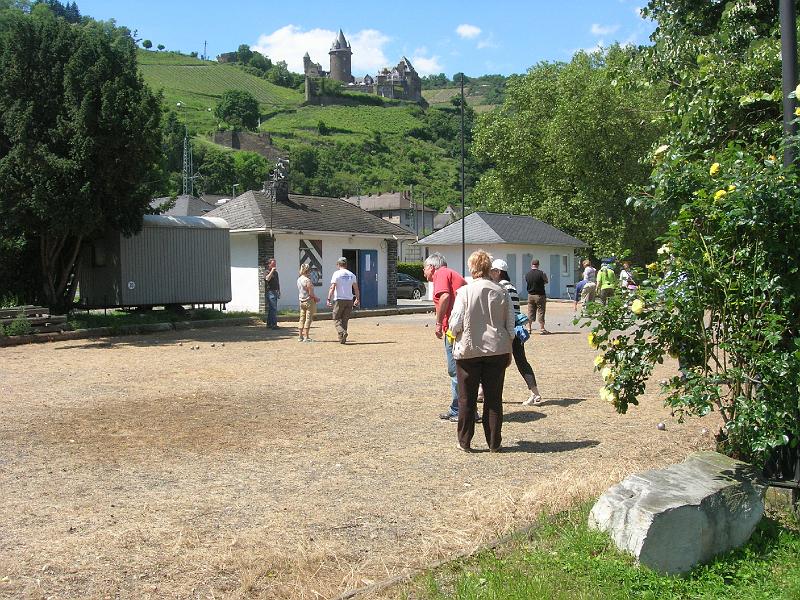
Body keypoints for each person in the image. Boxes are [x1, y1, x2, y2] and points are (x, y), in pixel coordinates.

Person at [449, 250, 515, 452]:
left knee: (466, 398)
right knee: (494, 398)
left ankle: (465, 441)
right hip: (497, 350)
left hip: (469, 350)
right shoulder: (502, 291)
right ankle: (494, 443)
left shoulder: (465, 292)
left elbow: (456, 322)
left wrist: (453, 332)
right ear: (489, 268)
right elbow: (511, 325)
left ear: (472, 268)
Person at [424, 252, 480, 423]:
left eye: (424, 268)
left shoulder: (441, 273)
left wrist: (439, 323)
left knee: (456, 370)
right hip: (463, 328)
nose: (424, 272)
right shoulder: (451, 274)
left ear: (432, 267)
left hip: (455, 330)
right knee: (458, 369)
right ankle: (460, 408)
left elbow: (445, 296)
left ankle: (462, 410)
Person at [489, 259, 543, 405]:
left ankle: (488, 393)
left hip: (505, 329)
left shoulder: (499, 288)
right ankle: (535, 393)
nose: (490, 274)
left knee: (494, 362)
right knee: (521, 361)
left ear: (498, 272)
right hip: (517, 329)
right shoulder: (512, 287)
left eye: (492, 271)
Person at [326, 257, 360, 344]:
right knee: (345, 319)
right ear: (346, 265)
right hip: (349, 299)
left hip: (339, 299)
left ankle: (342, 332)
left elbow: (332, 287)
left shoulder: (336, 274)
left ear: (338, 265)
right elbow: (356, 288)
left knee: (336, 318)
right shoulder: (352, 275)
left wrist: (328, 298)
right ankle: (342, 339)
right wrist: (357, 298)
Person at [524, 258, 550, 334]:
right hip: (540, 295)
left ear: (531, 265)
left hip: (530, 295)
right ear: (538, 265)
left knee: (530, 311)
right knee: (541, 311)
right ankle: (542, 328)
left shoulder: (527, 274)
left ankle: (529, 328)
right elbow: (546, 281)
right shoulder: (542, 273)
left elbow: (527, 281)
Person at [297, 263, 319, 342]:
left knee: (302, 318)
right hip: (308, 300)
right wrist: (316, 298)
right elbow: (310, 292)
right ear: (308, 270)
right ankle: (306, 336)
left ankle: (300, 336)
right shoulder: (307, 280)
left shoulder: (299, 279)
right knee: (308, 318)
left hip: (301, 300)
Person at [264, 258, 280, 329]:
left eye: (275, 264)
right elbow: (267, 279)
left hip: (275, 291)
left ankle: (269, 324)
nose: (274, 265)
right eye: (273, 264)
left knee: (271, 309)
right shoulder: (266, 272)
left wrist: (279, 290)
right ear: (269, 264)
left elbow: (277, 282)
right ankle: (274, 324)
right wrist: (271, 271)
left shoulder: (276, 273)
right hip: (270, 292)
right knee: (273, 308)